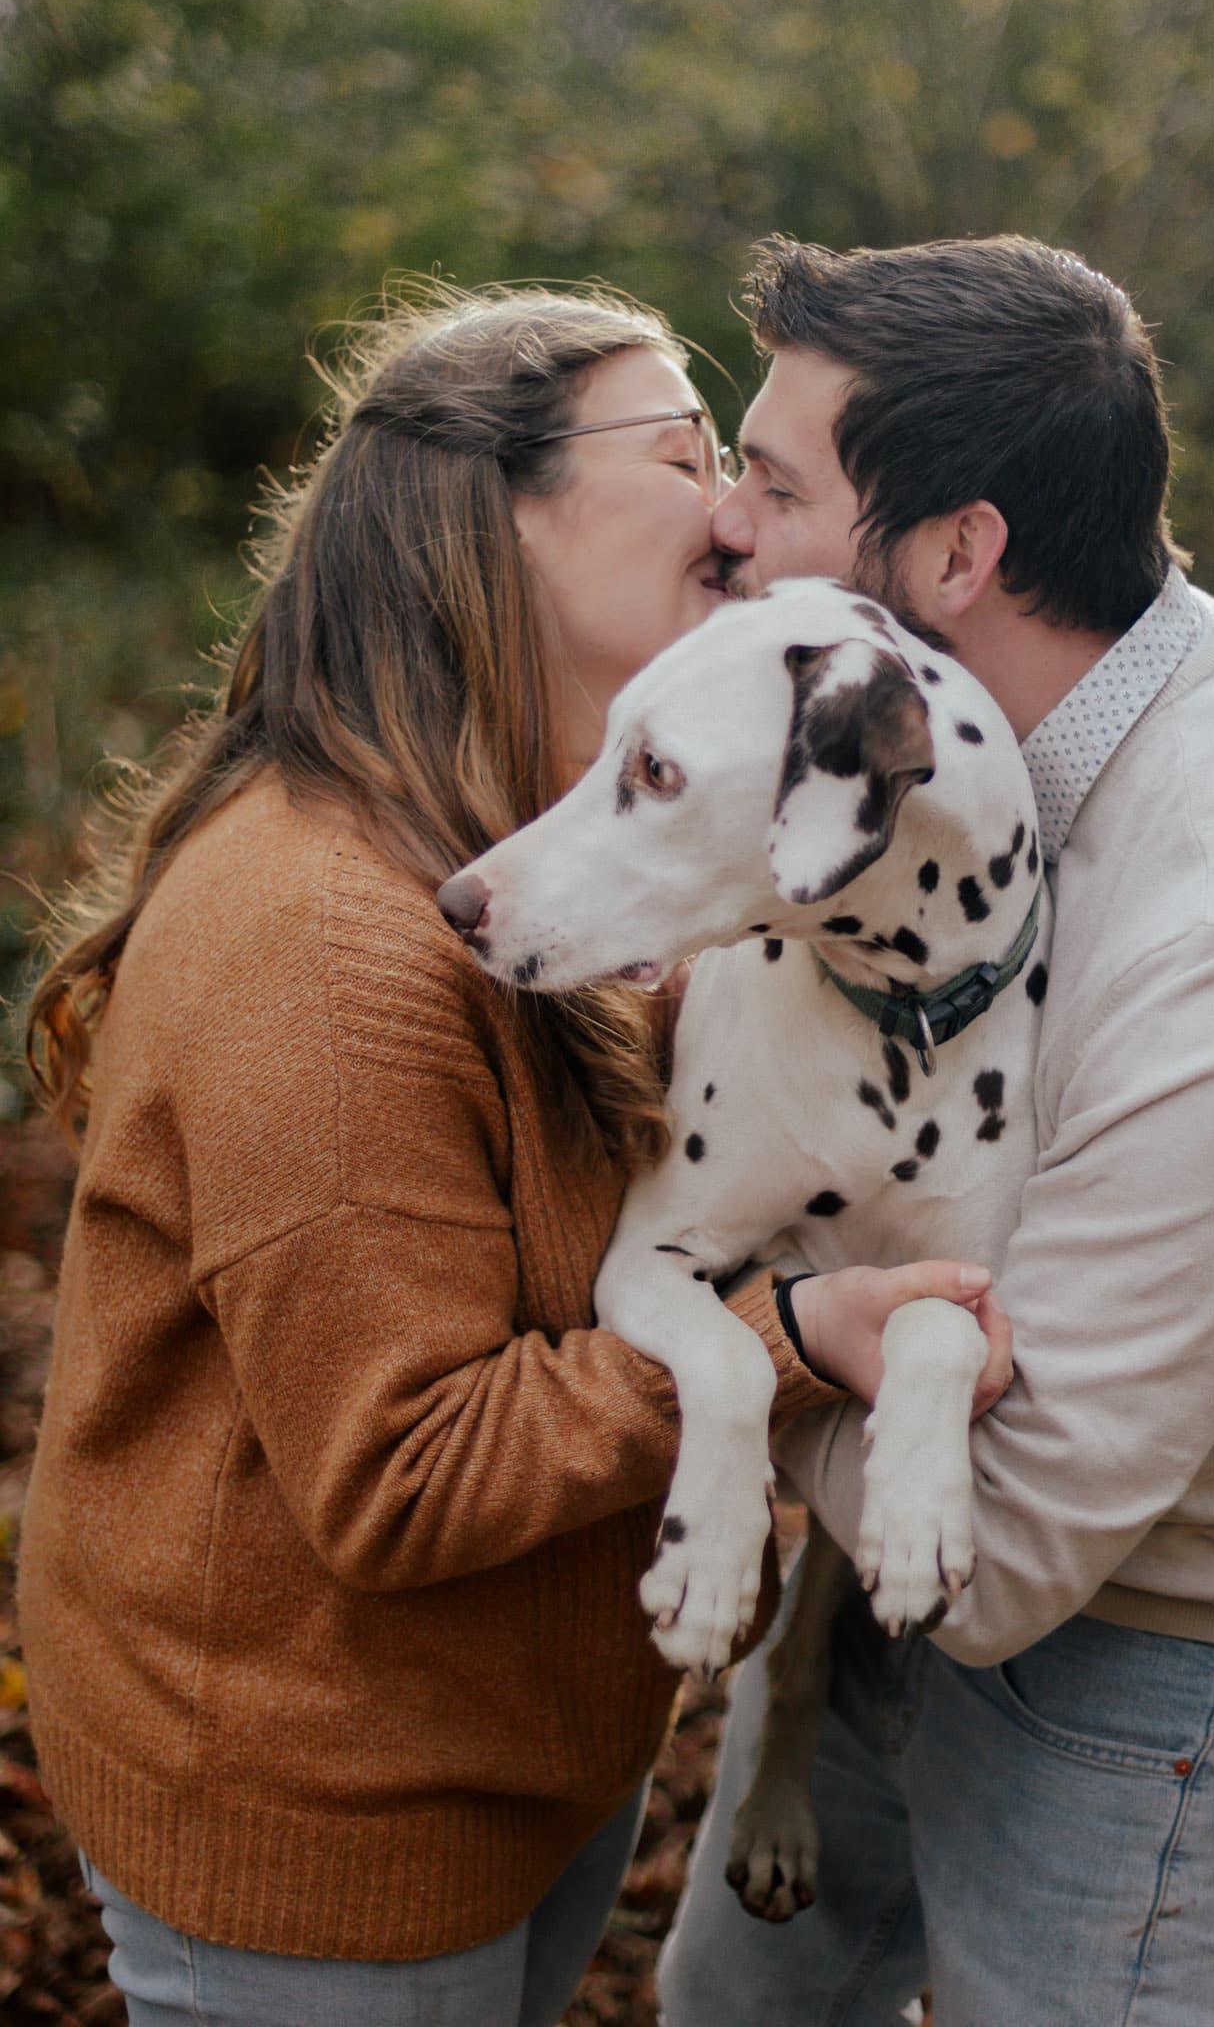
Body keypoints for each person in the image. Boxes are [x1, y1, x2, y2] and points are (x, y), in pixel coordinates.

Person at [18, 281, 1006, 2027]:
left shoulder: (527, 857)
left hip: (505, 1777)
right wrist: (789, 1348)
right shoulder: (324, 943)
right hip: (324, 1836)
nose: (730, 510)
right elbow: (401, 1466)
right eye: (688, 452)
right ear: (500, 512)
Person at [660, 234, 1214, 2027]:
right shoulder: (920, 755)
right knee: (743, 2007)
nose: (722, 523)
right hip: (899, 1518)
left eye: (774, 486)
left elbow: (1005, 1553)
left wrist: (736, 1343)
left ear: (960, 554)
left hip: (1146, 1664)